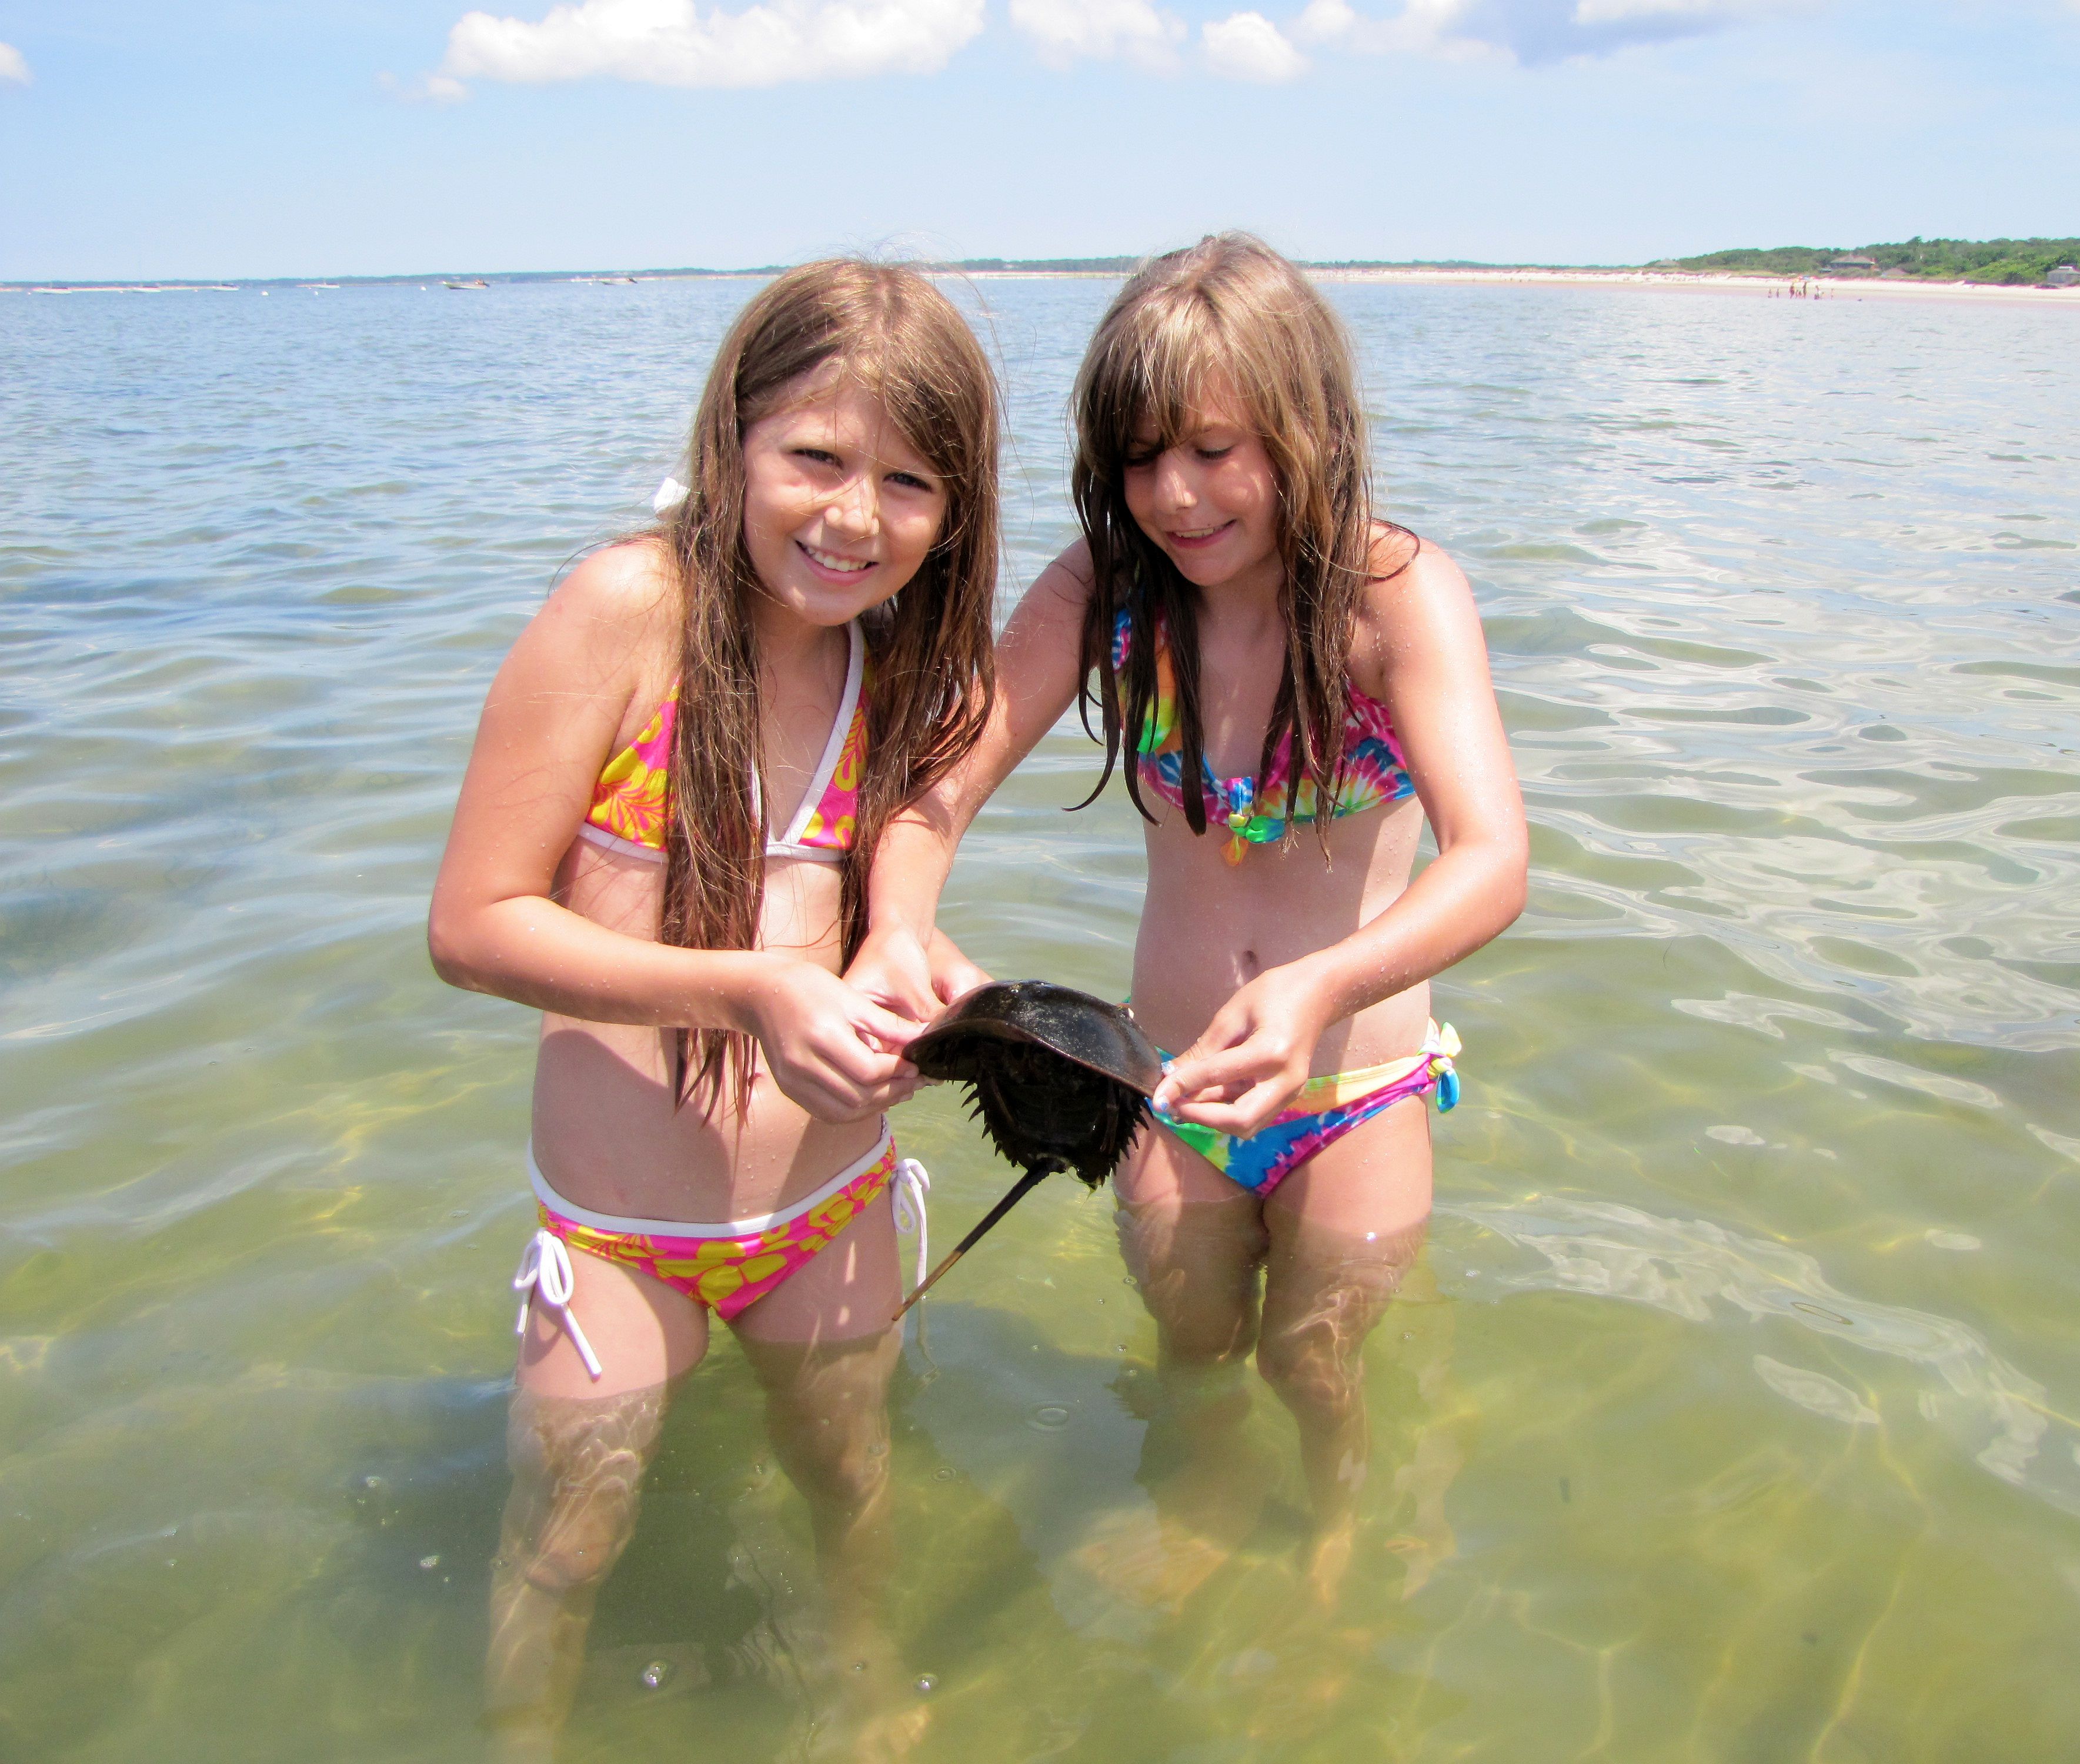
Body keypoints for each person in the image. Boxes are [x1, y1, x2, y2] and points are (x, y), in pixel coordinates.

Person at [850, 234, 1526, 1605]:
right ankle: (1203, 1505)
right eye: (1139, 458)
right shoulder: (1103, 593)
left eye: (1214, 451)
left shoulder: (1395, 599)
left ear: (1305, 428)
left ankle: (1341, 1534)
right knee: (1193, 1339)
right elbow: (932, 793)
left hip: (1355, 1090)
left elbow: (1493, 858)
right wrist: (896, 930)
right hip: (1168, 1088)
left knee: (1311, 1361)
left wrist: (1321, 985)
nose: (1172, 495)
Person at [427, 260, 999, 1760]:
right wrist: (747, 992)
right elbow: (472, 927)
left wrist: (924, 978)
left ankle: (866, 1695)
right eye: (813, 457)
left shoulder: (902, 664)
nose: (855, 517)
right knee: (566, 1540)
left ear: (955, 510)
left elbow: (860, 921)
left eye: (908, 482)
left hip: (828, 1204)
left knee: (850, 1482)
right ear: (731, 439)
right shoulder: (630, 611)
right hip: (620, 1233)